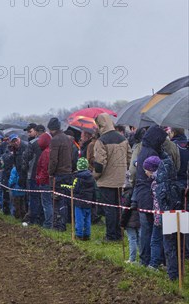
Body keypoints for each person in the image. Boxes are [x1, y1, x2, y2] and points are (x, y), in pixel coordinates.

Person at [132, 125, 167, 267]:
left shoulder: (143, 150)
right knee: (151, 229)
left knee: (146, 228)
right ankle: (150, 260)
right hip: (148, 193)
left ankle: (145, 259)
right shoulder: (152, 153)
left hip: (141, 192)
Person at [92, 113, 131, 242]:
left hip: (107, 181)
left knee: (110, 210)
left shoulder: (101, 141)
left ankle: (110, 236)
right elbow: (129, 157)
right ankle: (119, 234)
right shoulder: (123, 139)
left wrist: (95, 176)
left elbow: (99, 164)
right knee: (119, 209)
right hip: (121, 181)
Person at [47, 117, 73, 232]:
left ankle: (59, 225)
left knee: (57, 199)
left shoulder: (55, 140)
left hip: (59, 173)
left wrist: (50, 173)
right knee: (65, 199)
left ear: (52, 129)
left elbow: (53, 159)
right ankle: (64, 222)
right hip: (68, 172)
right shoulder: (68, 139)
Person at [23, 124, 45, 225]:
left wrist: (25, 167)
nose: (28, 133)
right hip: (45, 173)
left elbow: (27, 157)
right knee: (44, 197)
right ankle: (42, 218)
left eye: (30, 131)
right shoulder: (50, 142)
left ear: (36, 131)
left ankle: (34, 219)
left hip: (33, 173)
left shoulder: (33, 143)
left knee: (34, 197)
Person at [72, 157, 97, 241]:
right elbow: (94, 190)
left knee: (79, 219)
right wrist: (93, 202)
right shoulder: (91, 178)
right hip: (89, 201)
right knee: (87, 219)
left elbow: (75, 190)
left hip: (79, 202)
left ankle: (79, 234)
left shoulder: (77, 178)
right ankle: (87, 234)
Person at [121, 172, 140, 263]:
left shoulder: (126, 195)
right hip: (139, 219)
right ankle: (143, 258)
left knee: (132, 239)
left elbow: (125, 211)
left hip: (129, 221)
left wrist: (122, 223)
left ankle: (132, 259)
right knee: (140, 239)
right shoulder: (137, 191)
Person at [35, 132, 53, 229]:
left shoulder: (46, 153)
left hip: (45, 181)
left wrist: (40, 178)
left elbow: (45, 169)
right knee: (47, 202)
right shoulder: (47, 151)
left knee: (47, 203)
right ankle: (48, 222)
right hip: (45, 180)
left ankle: (48, 223)